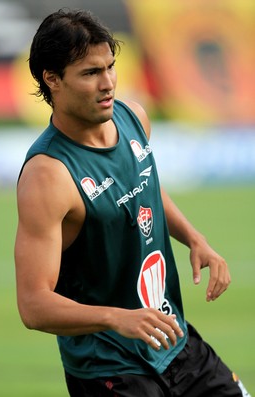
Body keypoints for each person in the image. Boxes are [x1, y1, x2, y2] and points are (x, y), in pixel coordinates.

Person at [14, 9, 250, 397]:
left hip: (172, 341)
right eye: (90, 73)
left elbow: (145, 185)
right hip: (110, 368)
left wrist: (193, 237)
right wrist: (116, 318)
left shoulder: (133, 118)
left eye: (110, 67)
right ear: (52, 79)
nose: (107, 83)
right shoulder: (48, 176)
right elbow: (33, 304)